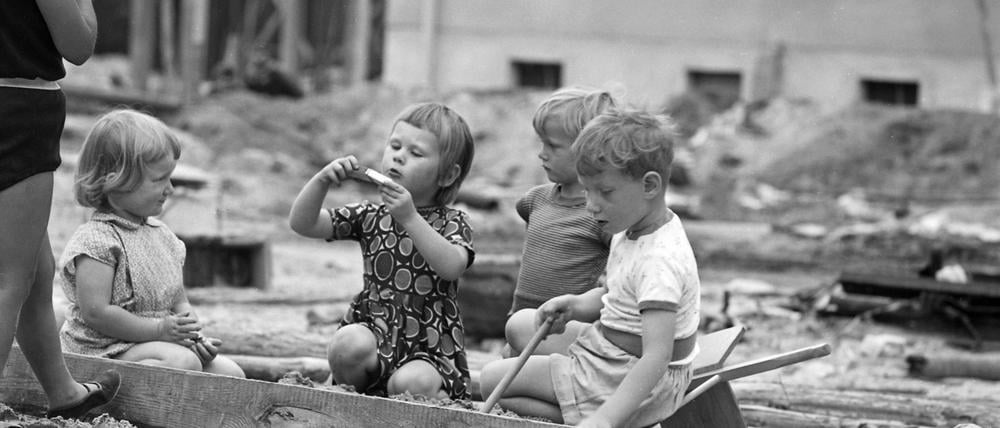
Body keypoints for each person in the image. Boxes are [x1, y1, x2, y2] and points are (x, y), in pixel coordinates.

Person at [479, 108, 701, 428]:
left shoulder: (659, 261)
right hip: (609, 348)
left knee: (492, 382)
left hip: (631, 375)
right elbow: (618, 296)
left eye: (604, 192)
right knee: (520, 326)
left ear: (650, 186)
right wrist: (576, 304)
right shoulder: (631, 225)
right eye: (587, 190)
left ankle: (601, 419)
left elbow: (657, 357)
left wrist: (606, 419)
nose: (591, 204)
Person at [288, 102, 477, 400]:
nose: (399, 156)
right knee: (345, 344)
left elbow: (452, 266)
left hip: (427, 351)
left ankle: (436, 396)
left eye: (415, 153)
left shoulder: (453, 221)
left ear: (447, 175)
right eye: (395, 145)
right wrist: (322, 180)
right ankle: (352, 400)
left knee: (411, 384)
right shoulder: (370, 215)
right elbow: (303, 224)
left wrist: (410, 217)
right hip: (374, 334)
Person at [0, 0, 122, 419]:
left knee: (35, 267)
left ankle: (62, 390)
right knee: (7, 278)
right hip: (17, 105)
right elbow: (78, 43)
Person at [59, 109, 245, 380]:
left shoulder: (163, 237)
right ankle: (103, 392)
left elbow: (179, 300)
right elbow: (96, 314)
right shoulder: (97, 241)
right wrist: (159, 331)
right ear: (115, 180)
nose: (170, 188)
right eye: (159, 179)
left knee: (232, 374)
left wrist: (193, 336)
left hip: (155, 343)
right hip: (104, 349)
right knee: (182, 363)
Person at [504, 87, 616, 357]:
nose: (542, 154)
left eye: (552, 146)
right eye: (541, 143)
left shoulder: (601, 215)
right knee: (505, 366)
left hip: (562, 332)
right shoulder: (535, 201)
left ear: (589, 151)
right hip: (520, 323)